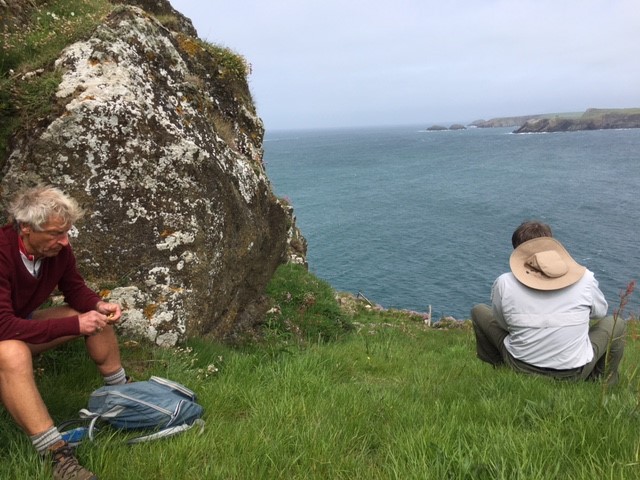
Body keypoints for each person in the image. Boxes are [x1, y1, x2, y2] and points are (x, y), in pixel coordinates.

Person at [0, 185, 129, 480]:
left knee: (94, 317)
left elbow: (73, 288)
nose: (64, 241)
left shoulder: (58, 251)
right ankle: (57, 455)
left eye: (67, 232)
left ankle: (123, 395)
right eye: (56, 234)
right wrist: (73, 325)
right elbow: (3, 326)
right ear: (25, 228)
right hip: (4, 333)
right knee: (12, 351)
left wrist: (98, 304)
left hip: (16, 324)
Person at [471, 220, 625, 384]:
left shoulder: (504, 282)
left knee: (479, 311)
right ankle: (602, 382)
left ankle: (502, 368)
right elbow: (599, 312)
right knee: (617, 323)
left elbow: (503, 323)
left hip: (520, 366)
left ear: (517, 252)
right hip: (575, 372)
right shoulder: (584, 278)